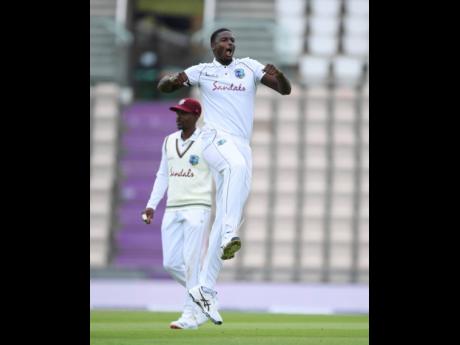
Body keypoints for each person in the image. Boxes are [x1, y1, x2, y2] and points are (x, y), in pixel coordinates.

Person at [157, 28, 292, 324]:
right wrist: (172, 80)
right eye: (224, 40)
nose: (230, 43)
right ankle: (231, 233)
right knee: (235, 170)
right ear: (213, 46)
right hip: (214, 138)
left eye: (232, 40)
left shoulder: (249, 68)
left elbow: (284, 90)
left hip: (242, 145)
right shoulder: (202, 71)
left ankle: (199, 304)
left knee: (222, 221)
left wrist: (279, 75)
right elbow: (165, 87)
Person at [142, 98, 216, 329]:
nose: (178, 117)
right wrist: (152, 204)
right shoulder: (168, 141)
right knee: (171, 263)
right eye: (177, 112)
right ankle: (206, 298)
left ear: (195, 116)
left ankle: (189, 316)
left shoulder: (207, 140)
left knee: (191, 262)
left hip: (198, 206)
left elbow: (222, 170)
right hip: (172, 207)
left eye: (183, 113)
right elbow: (162, 175)